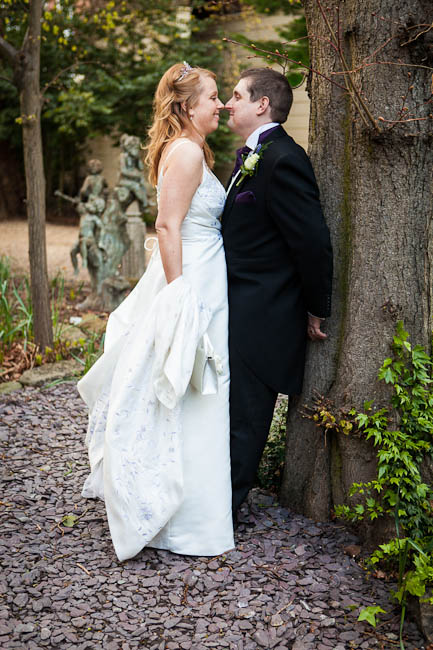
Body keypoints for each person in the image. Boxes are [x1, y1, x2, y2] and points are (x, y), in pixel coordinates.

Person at [77, 62, 234, 561]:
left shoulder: (188, 148)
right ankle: (188, 524)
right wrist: (179, 295)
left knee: (194, 388)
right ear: (188, 106)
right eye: (212, 97)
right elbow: (167, 227)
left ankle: (192, 512)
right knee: (194, 386)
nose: (221, 105)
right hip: (192, 280)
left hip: (201, 272)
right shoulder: (186, 152)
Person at [222, 68, 333, 517]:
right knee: (229, 411)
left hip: (264, 313)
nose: (228, 103)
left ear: (262, 104)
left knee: (246, 416)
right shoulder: (255, 154)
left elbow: (312, 241)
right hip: (236, 304)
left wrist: (316, 307)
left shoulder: (284, 158)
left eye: (236, 95)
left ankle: (222, 514)